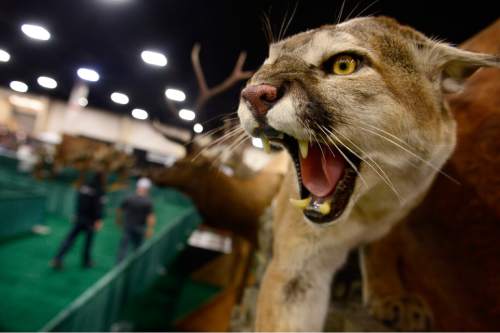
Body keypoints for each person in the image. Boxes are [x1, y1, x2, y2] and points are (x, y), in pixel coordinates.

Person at [51, 172, 106, 269]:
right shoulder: (99, 190)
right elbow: (98, 206)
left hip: (80, 218)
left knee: (70, 239)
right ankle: (86, 261)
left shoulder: (84, 187)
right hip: (90, 221)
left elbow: (78, 200)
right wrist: (98, 220)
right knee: (88, 242)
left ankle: (58, 258)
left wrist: (76, 213)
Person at [116, 177, 155, 262]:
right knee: (137, 248)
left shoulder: (130, 198)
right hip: (139, 228)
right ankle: (134, 264)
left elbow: (120, 210)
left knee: (124, 247)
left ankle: (119, 266)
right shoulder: (148, 202)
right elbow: (150, 217)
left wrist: (119, 220)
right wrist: (150, 229)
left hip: (128, 226)